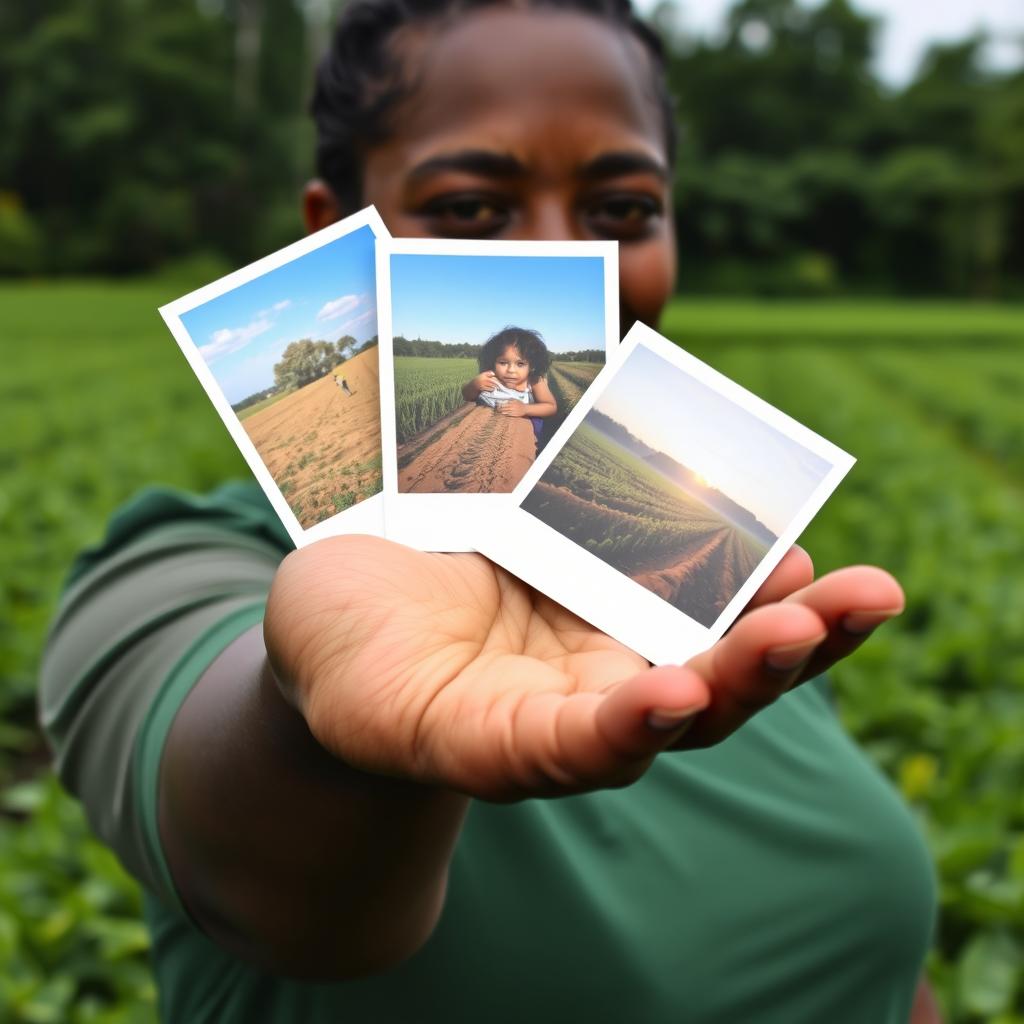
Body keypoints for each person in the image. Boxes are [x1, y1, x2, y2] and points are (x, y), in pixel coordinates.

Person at [38, 0, 943, 1021]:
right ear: (335, 234)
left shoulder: (718, 575)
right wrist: (319, 711)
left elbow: (876, 961)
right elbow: (278, 897)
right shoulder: (176, 574)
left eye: (621, 210)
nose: (568, 266)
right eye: (471, 208)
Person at [462, 325, 557, 443]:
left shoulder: (534, 382)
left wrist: (525, 409)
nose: (511, 370)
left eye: (520, 364)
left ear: (532, 366)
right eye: (503, 363)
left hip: (523, 435)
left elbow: (551, 407)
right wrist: (474, 385)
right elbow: (467, 395)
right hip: (490, 430)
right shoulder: (491, 378)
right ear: (493, 362)